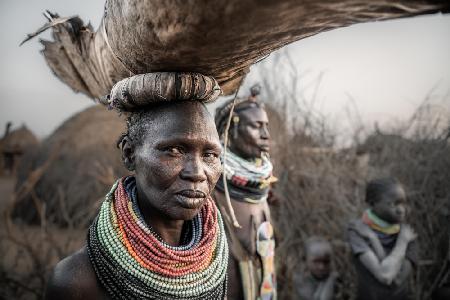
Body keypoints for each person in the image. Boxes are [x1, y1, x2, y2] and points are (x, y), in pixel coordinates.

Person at [44, 73, 229, 300]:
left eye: (210, 154)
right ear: (129, 154)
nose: (197, 173)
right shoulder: (75, 283)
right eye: (174, 150)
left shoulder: (222, 267)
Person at [213, 84, 277, 300]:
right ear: (230, 130)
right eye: (256, 126)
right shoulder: (208, 190)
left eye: (266, 126)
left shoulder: (264, 185)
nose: (266, 135)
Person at [347, 177, 418, 300]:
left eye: (403, 203)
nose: (401, 210)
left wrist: (400, 242)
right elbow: (386, 276)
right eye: (393, 204)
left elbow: (394, 279)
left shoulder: (407, 235)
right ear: (373, 203)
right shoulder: (357, 230)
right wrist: (374, 237)